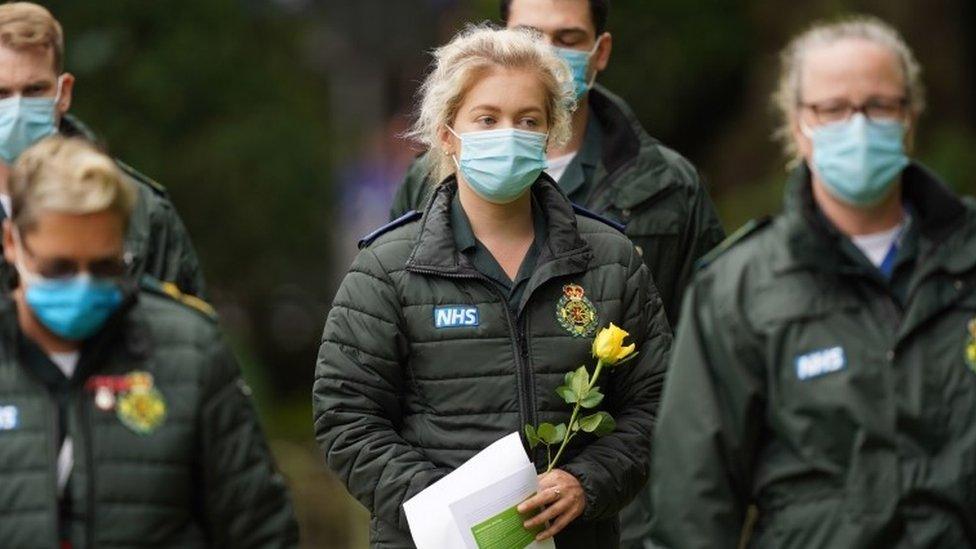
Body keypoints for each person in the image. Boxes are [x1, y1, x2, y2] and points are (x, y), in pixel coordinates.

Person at [315, 26, 671, 549]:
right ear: (445, 133)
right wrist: (448, 512)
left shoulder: (610, 259)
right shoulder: (386, 269)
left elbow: (657, 403)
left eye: (528, 120)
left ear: (551, 134)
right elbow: (345, 417)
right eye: (487, 118)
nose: (509, 133)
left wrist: (586, 483)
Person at [650, 16, 976, 547]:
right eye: (834, 109)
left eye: (879, 105)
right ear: (799, 124)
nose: (859, 125)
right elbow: (694, 499)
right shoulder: (740, 289)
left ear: (910, 117)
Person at [0, 136, 298, 547]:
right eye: (59, 267)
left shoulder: (189, 353)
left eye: (105, 266)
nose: (83, 285)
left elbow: (261, 530)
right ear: (12, 243)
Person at [390, 0, 726, 331]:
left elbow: (708, 339)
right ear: (502, 42)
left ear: (601, 51)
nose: (547, 55)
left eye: (568, 39)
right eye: (529, 37)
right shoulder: (429, 181)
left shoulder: (667, 186)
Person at [0, 2, 205, 297]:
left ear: (63, 92)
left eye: (34, 90)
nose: (17, 109)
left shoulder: (140, 212)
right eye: (1, 93)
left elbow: (182, 333)